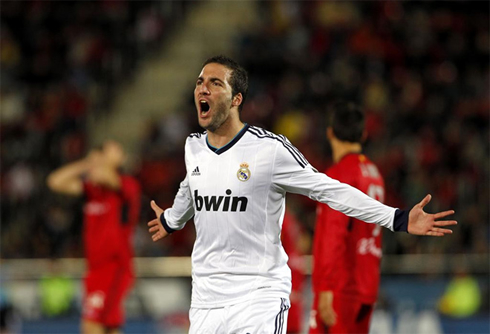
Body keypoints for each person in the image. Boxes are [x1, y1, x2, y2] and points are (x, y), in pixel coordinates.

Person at [147, 55, 457, 333]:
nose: (203, 89)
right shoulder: (193, 148)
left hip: (258, 298)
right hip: (206, 303)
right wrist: (172, 220)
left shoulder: (268, 150)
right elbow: (190, 188)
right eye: (200, 82)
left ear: (236, 99)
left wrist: (398, 218)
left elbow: (329, 190)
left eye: (215, 83)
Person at [47, 140, 141, 334]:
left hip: (114, 266)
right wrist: (85, 163)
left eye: (113, 150)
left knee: (91, 324)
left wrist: (98, 163)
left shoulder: (126, 185)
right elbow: (55, 181)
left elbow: (107, 176)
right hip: (94, 269)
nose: (104, 155)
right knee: (109, 327)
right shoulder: (92, 191)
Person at [309, 102, 385, 334]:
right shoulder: (374, 173)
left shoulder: (338, 175)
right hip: (367, 283)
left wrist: (325, 287)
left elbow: (333, 234)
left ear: (330, 132)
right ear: (363, 134)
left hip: (341, 287)